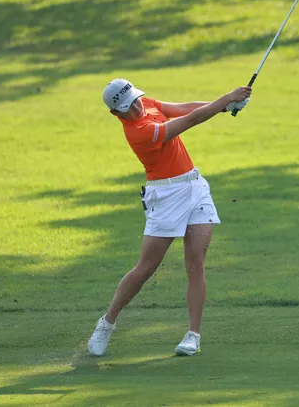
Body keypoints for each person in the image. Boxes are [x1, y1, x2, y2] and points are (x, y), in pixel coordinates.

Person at [87, 78, 251, 357]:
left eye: (136, 100)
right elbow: (190, 120)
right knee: (145, 268)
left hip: (195, 187)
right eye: (128, 107)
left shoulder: (146, 103)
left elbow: (184, 108)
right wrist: (227, 98)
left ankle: (193, 335)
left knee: (196, 263)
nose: (137, 107)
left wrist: (227, 106)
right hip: (165, 197)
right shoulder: (139, 132)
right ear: (116, 113)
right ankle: (107, 322)